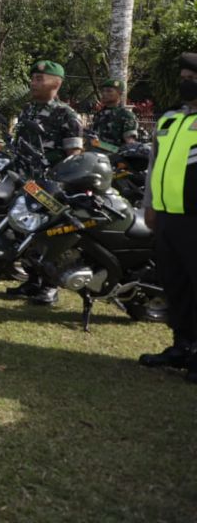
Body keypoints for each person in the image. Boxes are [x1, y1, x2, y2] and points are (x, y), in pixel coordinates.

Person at [5, 59, 84, 305]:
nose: (34, 82)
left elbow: (74, 155)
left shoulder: (66, 114)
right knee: (24, 233)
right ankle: (32, 281)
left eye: (40, 79)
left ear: (56, 83)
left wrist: (62, 185)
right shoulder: (27, 110)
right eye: (34, 78)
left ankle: (49, 286)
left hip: (47, 187)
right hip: (23, 182)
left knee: (47, 237)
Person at [139, 52, 197, 383]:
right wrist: (149, 205)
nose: (186, 83)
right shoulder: (169, 120)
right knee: (175, 286)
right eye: (184, 77)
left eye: (193, 78)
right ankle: (182, 345)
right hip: (167, 218)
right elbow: (153, 168)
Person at [92, 79, 139, 147]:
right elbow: (95, 139)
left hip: (116, 155)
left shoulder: (126, 115)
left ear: (120, 94)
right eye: (103, 91)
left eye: (109, 91)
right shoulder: (99, 114)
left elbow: (130, 144)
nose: (104, 94)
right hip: (96, 154)